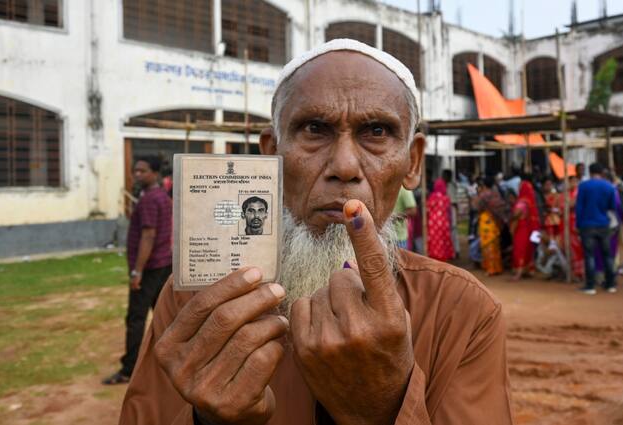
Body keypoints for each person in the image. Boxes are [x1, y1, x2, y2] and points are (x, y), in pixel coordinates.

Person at [119, 40, 513, 425]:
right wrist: (208, 419)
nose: (344, 166)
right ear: (272, 154)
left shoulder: (462, 311)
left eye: (376, 132)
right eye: (314, 128)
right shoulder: (197, 296)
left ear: (412, 162)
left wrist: (381, 407)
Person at [103, 156, 172, 385]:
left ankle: (129, 369)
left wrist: (137, 272)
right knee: (163, 317)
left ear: (154, 173)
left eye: (142, 170)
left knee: (136, 318)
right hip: (163, 265)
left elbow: (149, 235)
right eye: (135, 171)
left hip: (151, 268)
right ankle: (167, 366)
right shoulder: (161, 196)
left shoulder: (151, 200)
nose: (137, 174)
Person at [575, 162, 617, 294]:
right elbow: (612, 206)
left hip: (587, 224)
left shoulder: (583, 186)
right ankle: (610, 284)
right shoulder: (609, 186)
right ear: (602, 172)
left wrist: (578, 224)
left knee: (589, 255)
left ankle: (590, 286)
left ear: (590, 171)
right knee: (607, 255)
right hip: (603, 223)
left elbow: (579, 207)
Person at [476, 177, 508, 275]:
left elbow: (478, 207)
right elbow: (501, 208)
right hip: (495, 222)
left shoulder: (483, 195)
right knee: (495, 245)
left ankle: (490, 268)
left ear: (484, 185)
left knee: (487, 245)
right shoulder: (496, 194)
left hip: (486, 220)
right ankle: (497, 267)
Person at [510, 180, 540, 280]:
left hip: (521, 228)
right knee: (527, 249)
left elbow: (516, 214)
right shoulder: (530, 202)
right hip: (528, 228)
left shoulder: (522, 202)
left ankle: (519, 272)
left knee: (520, 249)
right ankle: (528, 270)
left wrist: (512, 218)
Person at [427, 178, 456, 261]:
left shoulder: (432, 197)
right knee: (443, 240)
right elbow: (449, 211)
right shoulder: (446, 198)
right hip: (443, 222)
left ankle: (435, 256)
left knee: (435, 240)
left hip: (433, 222)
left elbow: (428, 209)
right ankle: (443, 257)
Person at [442, 169, 460, 259]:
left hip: (451, 209)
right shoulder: (444, 185)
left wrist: (457, 213)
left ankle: (456, 251)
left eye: (445, 175)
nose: (444, 177)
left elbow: (454, 202)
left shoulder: (451, 186)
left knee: (453, 230)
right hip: (446, 209)